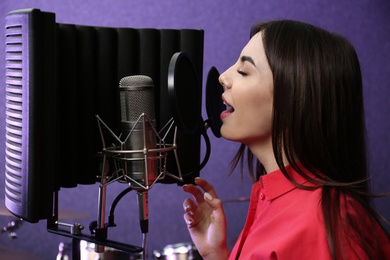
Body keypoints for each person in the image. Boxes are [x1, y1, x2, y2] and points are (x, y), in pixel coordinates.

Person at [182, 20, 390, 259]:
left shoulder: (322, 223)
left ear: (292, 97)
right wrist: (215, 255)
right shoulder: (277, 202)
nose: (223, 77)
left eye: (243, 71)